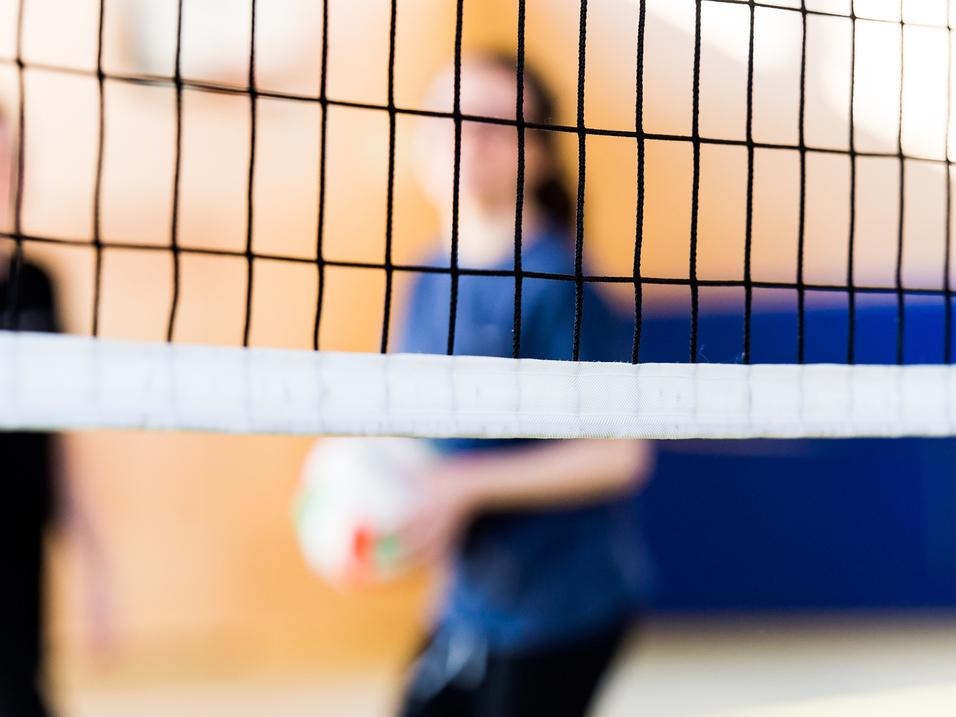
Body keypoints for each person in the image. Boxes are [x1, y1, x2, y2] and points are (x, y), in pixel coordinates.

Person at [394, 55, 655, 717]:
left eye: (492, 123)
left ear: (536, 154)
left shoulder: (556, 281)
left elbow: (618, 456)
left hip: (560, 606)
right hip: (468, 604)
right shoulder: (427, 275)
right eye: (447, 118)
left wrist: (465, 486)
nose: (464, 138)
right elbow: (422, 439)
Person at [0, 107, 110, 717]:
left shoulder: (39, 282)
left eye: (14, 159)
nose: (9, 175)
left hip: (25, 539)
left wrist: (97, 564)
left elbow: (60, 437)